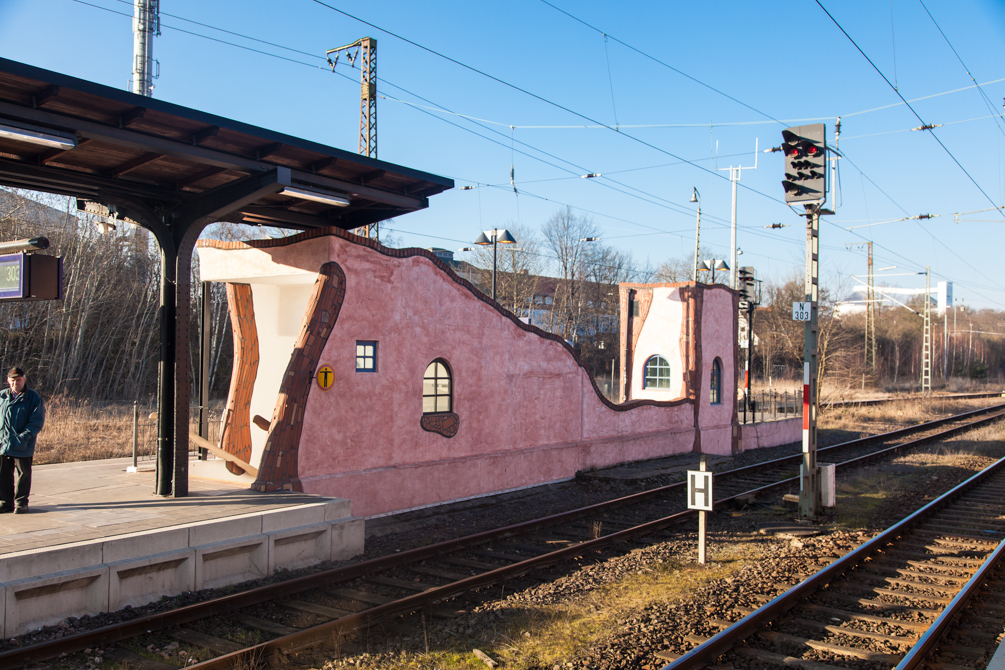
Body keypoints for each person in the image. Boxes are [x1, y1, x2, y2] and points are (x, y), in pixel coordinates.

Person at [0, 366, 45, 514]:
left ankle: (21, 503)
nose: (15, 383)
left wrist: (23, 437)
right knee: (3, 475)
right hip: (3, 444)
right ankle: (5, 503)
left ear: (24, 380)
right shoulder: (2, 397)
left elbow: (36, 422)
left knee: (23, 475)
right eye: (13, 380)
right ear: (8, 380)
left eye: (18, 380)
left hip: (22, 445)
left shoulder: (33, 397)